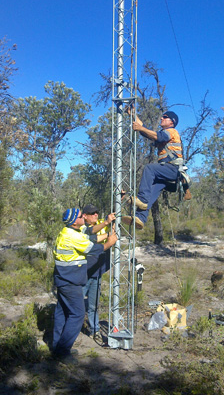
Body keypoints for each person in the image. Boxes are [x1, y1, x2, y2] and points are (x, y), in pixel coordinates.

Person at [52, 207, 117, 358]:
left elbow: (90, 235)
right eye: (81, 216)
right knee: (78, 314)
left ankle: (57, 347)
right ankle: (62, 353)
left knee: (62, 313)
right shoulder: (72, 237)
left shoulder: (69, 231)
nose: (84, 218)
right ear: (75, 221)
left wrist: (107, 233)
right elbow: (94, 248)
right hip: (70, 281)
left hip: (62, 279)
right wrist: (110, 242)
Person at [122, 110, 184, 229]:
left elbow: (157, 136)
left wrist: (141, 128)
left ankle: (141, 199)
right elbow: (145, 132)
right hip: (165, 173)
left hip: (172, 169)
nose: (161, 118)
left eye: (164, 117)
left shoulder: (171, 132)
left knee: (149, 169)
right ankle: (140, 218)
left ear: (172, 122)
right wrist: (134, 115)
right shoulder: (164, 133)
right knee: (150, 193)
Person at [81, 204, 115, 344]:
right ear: (85, 216)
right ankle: (70, 327)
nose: (95, 215)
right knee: (76, 302)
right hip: (82, 274)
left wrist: (120, 199)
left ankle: (94, 330)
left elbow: (112, 217)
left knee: (93, 305)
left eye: (96, 212)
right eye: (92, 213)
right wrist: (107, 227)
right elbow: (90, 232)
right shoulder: (81, 229)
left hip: (96, 273)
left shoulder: (100, 223)